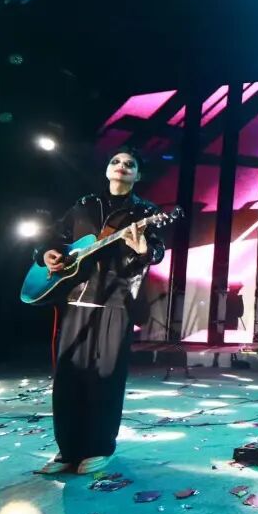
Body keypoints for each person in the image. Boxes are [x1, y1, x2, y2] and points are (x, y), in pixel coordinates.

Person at [34, 147, 165, 475]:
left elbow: (156, 252)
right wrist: (48, 254)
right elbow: (53, 239)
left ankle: (99, 447)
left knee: (105, 377)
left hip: (115, 302)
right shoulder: (84, 205)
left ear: (138, 175)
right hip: (74, 299)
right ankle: (67, 450)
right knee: (68, 377)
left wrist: (143, 249)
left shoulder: (145, 211)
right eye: (115, 161)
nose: (122, 166)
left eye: (130, 164)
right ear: (107, 169)